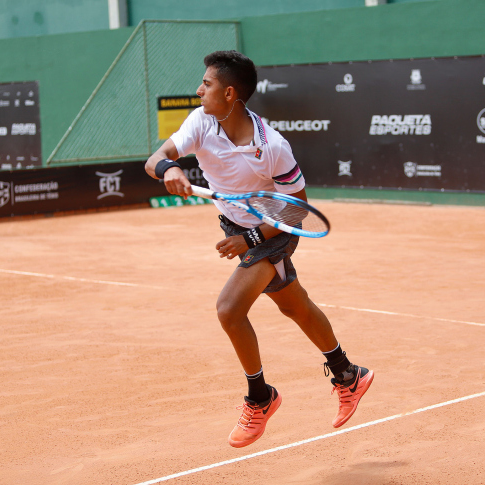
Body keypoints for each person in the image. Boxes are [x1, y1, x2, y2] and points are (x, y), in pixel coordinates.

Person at [145, 50, 373, 448]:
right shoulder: (201, 121)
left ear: (230, 93)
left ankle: (260, 397)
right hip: (237, 225)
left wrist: (249, 240)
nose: (199, 89)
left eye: (207, 84)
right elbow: (156, 159)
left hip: (274, 231)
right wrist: (172, 169)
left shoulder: (273, 146)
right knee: (293, 305)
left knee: (229, 309)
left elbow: (297, 209)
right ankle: (347, 373)